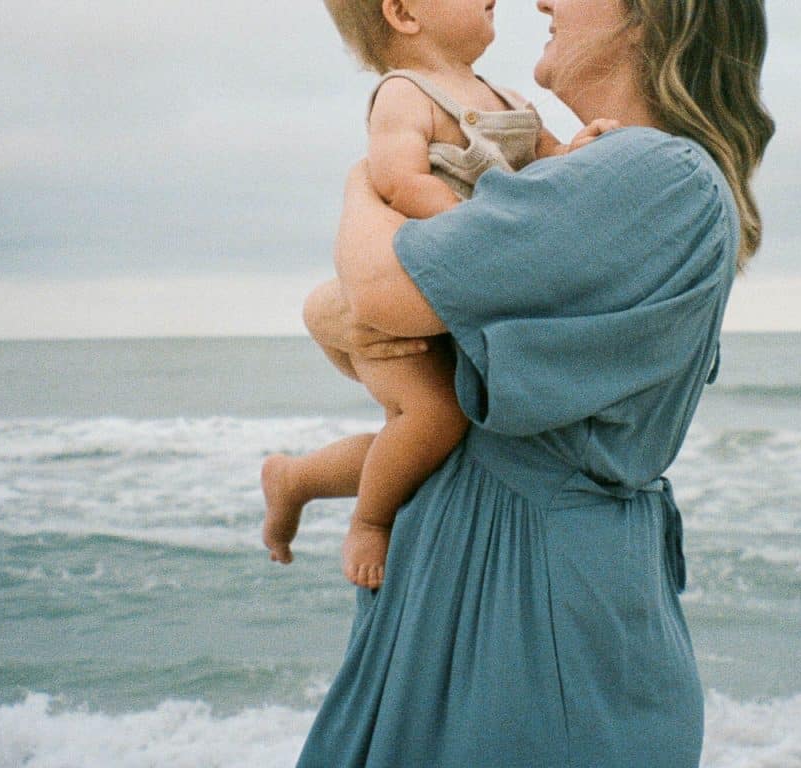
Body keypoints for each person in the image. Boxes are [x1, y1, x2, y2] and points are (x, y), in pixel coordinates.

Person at [292, 0, 775, 764]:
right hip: (522, 583)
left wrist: (362, 184)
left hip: (522, 608)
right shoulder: (622, 175)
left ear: (647, 17)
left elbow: (382, 290)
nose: (542, 1)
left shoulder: (648, 171)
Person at [261, 0, 613, 589]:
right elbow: (398, 181)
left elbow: (546, 159)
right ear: (402, 13)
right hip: (406, 295)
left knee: (432, 442)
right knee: (433, 417)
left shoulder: (506, 99)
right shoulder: (405, 93)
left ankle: (295, 479)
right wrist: (478, 228)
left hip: (455, 298)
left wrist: (578, 151)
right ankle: (369, 522)